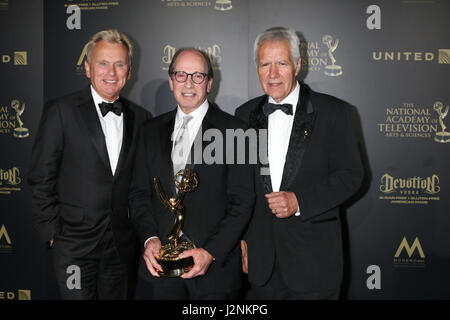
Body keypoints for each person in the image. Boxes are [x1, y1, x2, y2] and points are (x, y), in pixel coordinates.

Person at [235, 27, 364, 299]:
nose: (272, 74)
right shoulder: (244, 114)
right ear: (256, 68)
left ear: (298, 65)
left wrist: (299, 201)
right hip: (261, 266)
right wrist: (243, 239)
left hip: (314, 265)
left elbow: (350, 176)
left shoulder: (334, 112)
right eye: (265, 64)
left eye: (281, 63)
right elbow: (240, 186)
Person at [27, 29, 152, 299]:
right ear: (87, 68)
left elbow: (138, 186)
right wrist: (53, 233)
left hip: (120, 248)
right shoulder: (61, 111)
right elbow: (41, 176)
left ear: (129, 71)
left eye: (119, 64)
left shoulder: (141, 118)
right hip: (74, 247)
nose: (111, 72)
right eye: (102, 63)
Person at [129, 48, 254, 299]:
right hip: (161, 274)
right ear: (171, 81)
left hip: (216, 274)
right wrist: (150, 238)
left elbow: (243, 201)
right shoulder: (149, 131)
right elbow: (138, 194)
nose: (188, 83)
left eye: (198, 76)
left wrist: (210, 251)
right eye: (181, 75)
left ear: (209, 83)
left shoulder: (235, 131)